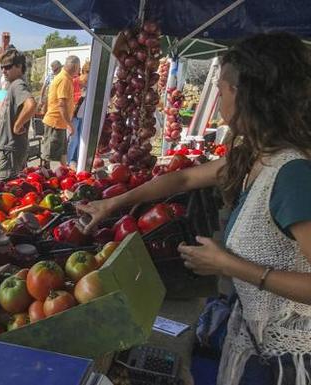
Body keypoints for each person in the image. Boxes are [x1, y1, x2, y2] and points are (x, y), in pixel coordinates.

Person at [79, 33, 311, 385]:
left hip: (288, 362)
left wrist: (228, 265)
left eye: (221, 89)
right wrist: (113, 202)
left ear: (245, 93)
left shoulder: (292, 174)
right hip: (253, 336)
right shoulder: (255, 156)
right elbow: (183, 181)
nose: (217, 100)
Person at [0, 49, 37, 181]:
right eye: (2, 68)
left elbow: (31, 105)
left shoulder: (17, 84)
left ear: (19, 66)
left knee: (4, 188)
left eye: (7, 67)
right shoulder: (14, 85)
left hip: (10, 150)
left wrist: (17, 125)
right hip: (11, 149)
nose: (3, 71)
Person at [41, 56, 80, 167]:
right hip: (55, 122)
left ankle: (65, 170)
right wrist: (69, 124)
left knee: (62, 152)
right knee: (48, 154)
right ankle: (44, 176)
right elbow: (61, 104)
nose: (79, 70)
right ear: (75, 67)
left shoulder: (65, 78)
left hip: (59, 123)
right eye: (78, 68)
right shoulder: (64, 80)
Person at [67, 60, 90, 169]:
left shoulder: (90, 84)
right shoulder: (74, 82)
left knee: (81, 139)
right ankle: (70, 161)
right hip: (74, 115)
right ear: (85, 72)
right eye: (88, 76)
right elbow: (70, 99)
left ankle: (77, 160)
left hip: (83, 115)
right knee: (74, 139)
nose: (88, 80)